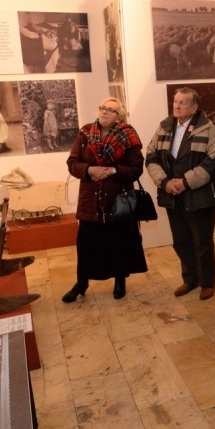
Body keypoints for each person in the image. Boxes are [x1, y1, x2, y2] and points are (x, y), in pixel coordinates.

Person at [64, 97, 147, 302]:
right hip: (90, 202)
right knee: (86, 244)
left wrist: (113, 170)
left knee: (118, 242)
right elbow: (72, 163)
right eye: (103, 108)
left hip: (117, 200)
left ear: (120, 117)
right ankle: (81, 283)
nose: (105, 112)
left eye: (111, 110)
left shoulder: (128, 135)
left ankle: (120, 281)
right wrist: (90, 169)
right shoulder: (85, 132)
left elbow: (136, 168)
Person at [146, 87, 215, 301]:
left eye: (182, 102)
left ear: (195, 107)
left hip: (200, 196)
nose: (176, 106)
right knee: (181, 241)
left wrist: (185, 182)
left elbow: (213, 161)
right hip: (172, 194)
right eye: (175, 101)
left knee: (202, 242)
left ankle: (207, 283)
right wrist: (164, 182)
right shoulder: (164, 126)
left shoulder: (208, 128)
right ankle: (190, 279)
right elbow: (151, 155)